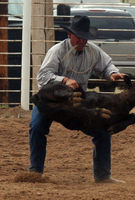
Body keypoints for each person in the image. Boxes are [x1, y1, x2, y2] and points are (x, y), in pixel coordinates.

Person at [29, 15, 126, 183]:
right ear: (69, 35)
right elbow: (43, 77)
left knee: (102, 129)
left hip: (77, 100)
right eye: (79, 37)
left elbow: (106, 64)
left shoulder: (93, 51)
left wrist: (112, 73)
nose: (82, 41)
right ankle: (35, 172)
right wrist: (64, 80)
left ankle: (103, 176)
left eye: (85, 37)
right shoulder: (57, 51)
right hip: (51, 99)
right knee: (37, 127)